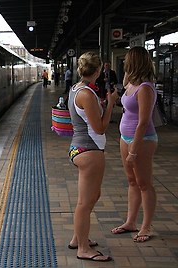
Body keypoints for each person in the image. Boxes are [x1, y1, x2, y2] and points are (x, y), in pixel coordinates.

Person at [67, 51, 119, 262]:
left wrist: (102, 106)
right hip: (89, 150)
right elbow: (99, 128)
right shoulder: (87, 94)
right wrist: (111, 104)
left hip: (81, 149)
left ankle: (78, 238)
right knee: (85, 202)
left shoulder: (76, 89)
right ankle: (83, 248)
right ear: (98, 71)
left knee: (92, 197)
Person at [111, 46, 158, 243]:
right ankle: (130, 222)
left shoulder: (145, 88)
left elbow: (144, 121)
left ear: (134, 62)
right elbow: (124, 86)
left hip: (143, 140)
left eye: (126, 60)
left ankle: (146, 226)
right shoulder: (130, 82)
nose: (123, 62)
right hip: (125, 137)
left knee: (144, 183)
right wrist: (128, 74)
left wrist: (134, 150)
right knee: (132, 181)